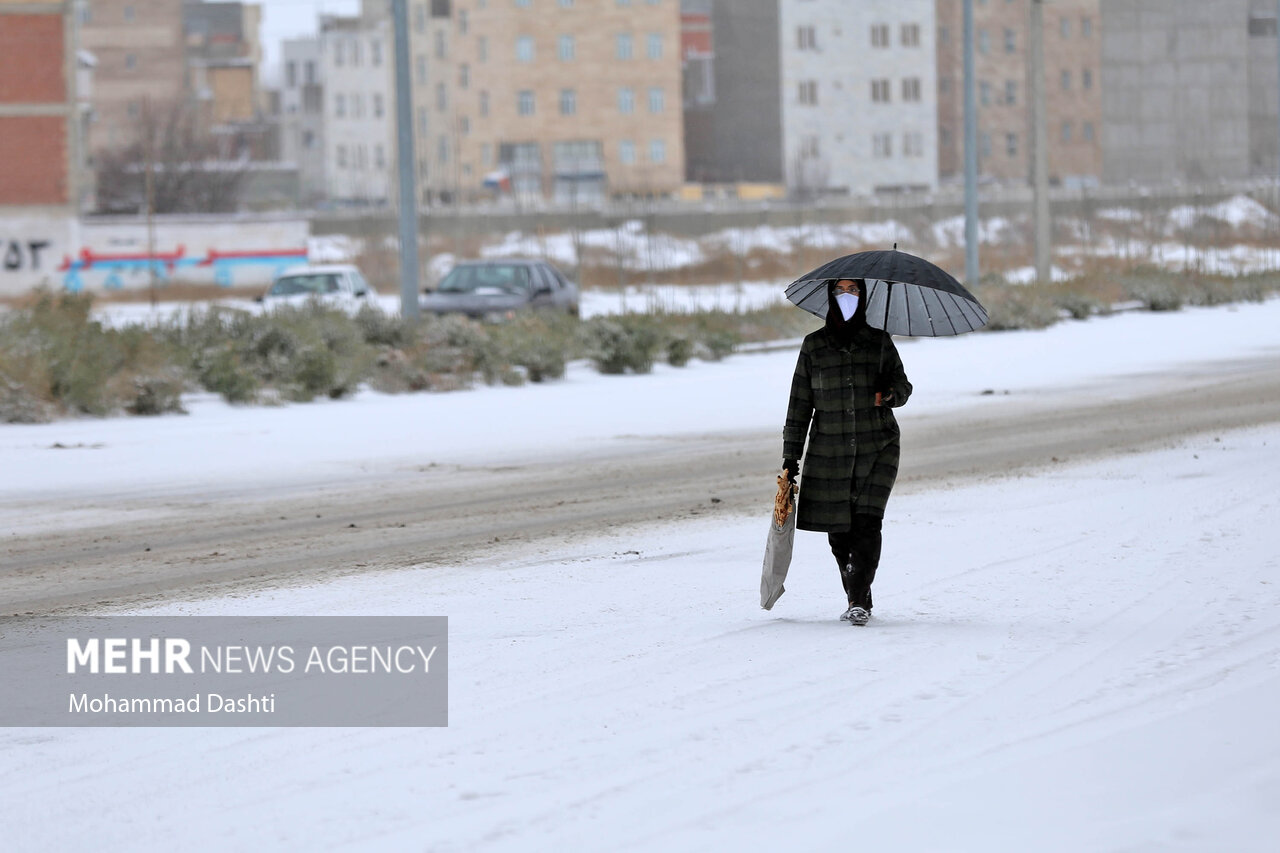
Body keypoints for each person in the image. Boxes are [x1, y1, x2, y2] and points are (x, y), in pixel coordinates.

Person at [782, 278, 912, 626]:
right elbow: (799, 404)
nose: (847, 296)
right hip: (830, 448)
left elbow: (904, 387)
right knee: (838, 531)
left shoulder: (879, 342)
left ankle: (857, 601)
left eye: (854, 290)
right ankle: (859, 594)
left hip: (878, 445)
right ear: (829, 296)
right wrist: (790, 458)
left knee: (867, 522)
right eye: (841, 290)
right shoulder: (814, 346)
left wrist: (889, 395)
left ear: (865, 296)